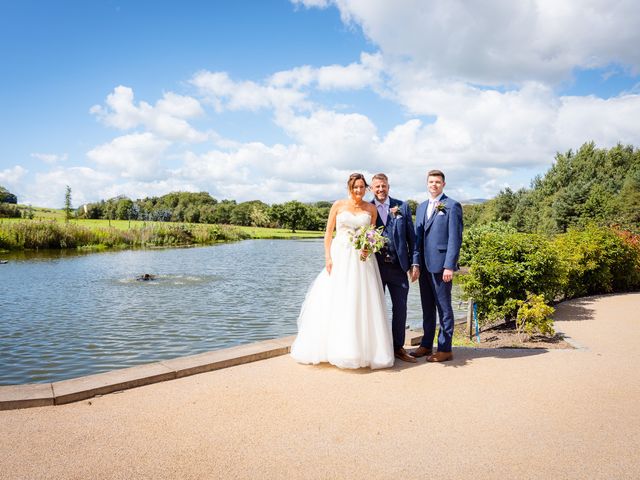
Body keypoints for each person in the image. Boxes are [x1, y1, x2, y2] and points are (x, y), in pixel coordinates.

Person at [290, 173, 394, 369]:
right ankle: (332, 348)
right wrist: (328, 257)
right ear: (350, 188)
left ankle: (361, 350)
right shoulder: (338, 205)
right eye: (355, 187)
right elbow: (328, 233)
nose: (358, 190)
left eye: (362, 187)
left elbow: (371, 235)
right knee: (337, 299)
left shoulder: (371, 209)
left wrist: (367, 248)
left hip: (363, 261)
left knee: (360, 301)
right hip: (340, 258)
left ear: (366, 189)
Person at [412, 169, 463, 362]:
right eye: (431, 182)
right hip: (424, 266)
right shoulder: (421, 207)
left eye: (438, 182)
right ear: (427, 184)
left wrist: (449, 265)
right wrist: (415, 263)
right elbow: (417, 238)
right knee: (426, 307)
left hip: (442, 266)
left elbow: (455, 239)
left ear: (443, 184)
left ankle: (445, 349)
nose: (434, 185)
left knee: (444, 308)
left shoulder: (452, 205)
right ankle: (426, 344)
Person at [370, 173, 419, 363]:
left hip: (399, 268)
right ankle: (377, 347)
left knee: (401, 308)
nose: (381, 190)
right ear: (371, 189)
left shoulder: (402, 206)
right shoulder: (367, 208)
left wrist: (415, 263)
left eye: (383, 186)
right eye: (377, 187)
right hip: (375, 268)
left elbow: (412, 239)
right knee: (374, 308)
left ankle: (398, 347)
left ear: (388, 186)